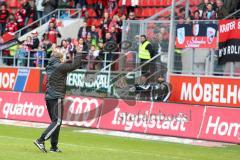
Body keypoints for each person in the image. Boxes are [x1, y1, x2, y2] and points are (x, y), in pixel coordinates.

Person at [34, 48, 82, 153]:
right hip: (56, 96)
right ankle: (40, 140)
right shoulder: (59, 66)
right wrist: (78, 53)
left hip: (49, 97)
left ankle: (53, 147)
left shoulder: (51, 66)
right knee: (57, 121)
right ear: (60, 58)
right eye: (63, 57)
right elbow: (74, 66)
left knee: (56, 122)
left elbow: (66, 65)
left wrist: (68, 60)